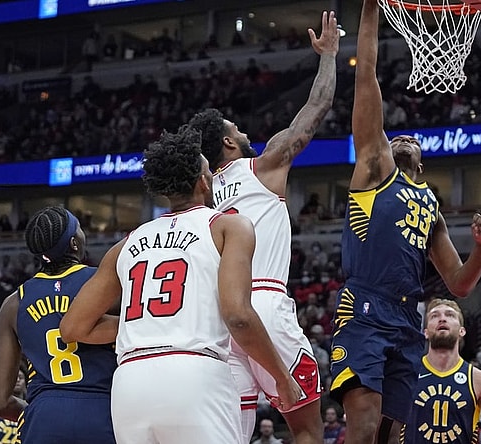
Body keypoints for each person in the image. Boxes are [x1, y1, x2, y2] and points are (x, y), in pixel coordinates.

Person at [59, 126, 301, 444]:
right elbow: (238, 315)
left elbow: (73, 327)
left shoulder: (126, 244)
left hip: (130, 383)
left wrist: (147, 324)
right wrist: (282, 378)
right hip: (194, 374)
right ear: (203, 181)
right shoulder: (228, 226)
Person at [328, 2, 481, 444]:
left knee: (394, 430)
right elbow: (366, 74)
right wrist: (369, 9)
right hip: (364, 304)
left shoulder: (430, 206)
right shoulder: (373, 167)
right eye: (394, 135)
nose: (400, 138)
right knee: (363, 421)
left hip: (407, 315)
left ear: (421, 165)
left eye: (410, 139)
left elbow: (459, 285)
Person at [187, 10, 338, 444]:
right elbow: (318, 106)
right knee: (307, 429)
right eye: (237, 129)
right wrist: (328, 56)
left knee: (229, 434)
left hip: (219, 318)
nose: (243, 131)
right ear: (230, 143)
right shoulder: (263, 164)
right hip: (264, 306)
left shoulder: (201, 195)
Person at [0, 206, 117, 444]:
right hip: (102, 409)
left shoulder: (13, 303)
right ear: (74, 244)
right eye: (80, 229)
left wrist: (41, 412)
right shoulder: (105, 284)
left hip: (44, 414)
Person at [402, 299, 481, 444]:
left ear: (462, 331)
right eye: (434, 316)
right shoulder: (407, 373)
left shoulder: (478, 379)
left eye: (450, 315)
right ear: (426, 333)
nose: (442, 318)